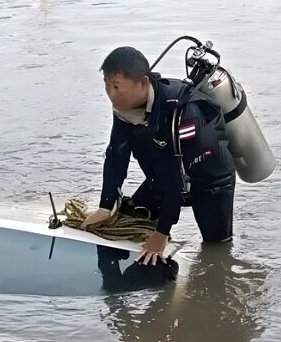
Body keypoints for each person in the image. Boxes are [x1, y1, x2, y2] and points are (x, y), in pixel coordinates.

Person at [83, 46, 236, 265]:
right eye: (107, 86)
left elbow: (178, 175)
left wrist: (162, 232)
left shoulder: (182, 113)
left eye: (117, 87)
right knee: (132, 215)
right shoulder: (125, 108)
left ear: (144, 83)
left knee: (216, 250)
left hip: (209, 181)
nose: (111, 95)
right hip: (163, 178)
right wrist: (106, 205)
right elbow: (116, 154)